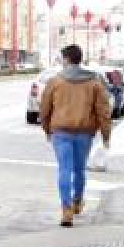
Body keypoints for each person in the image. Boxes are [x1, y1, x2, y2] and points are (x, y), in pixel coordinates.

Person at [40, 44, 113, 227]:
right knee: (79, 170)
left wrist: (47, 129)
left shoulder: (55, 82)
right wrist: (105, 135)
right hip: (84, 133)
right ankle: (77, 202)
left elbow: (44, 109)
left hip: (61, 132)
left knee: (64, 170)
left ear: (66, 59)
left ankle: (66, 211)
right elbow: (103, 111)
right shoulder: (94, 82)